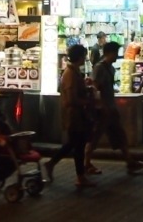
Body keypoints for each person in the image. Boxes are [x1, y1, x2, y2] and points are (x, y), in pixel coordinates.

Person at [84, 41, 143, 174]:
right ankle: (86, 163)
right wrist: (101, 106)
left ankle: (129, 161)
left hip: (110, 108)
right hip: (103, 110)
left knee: (120, 135)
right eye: (115, 53)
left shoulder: (110, 68)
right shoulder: (99, 68)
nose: (117, 55)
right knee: (95, 137)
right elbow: (95, 88)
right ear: (108, 53)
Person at [45, 44, 96, 187]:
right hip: (74, 115)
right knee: (76, 145)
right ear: (79, 57)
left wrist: (85, 87)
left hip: (77, 115)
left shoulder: (74, 72)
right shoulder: (70, 74)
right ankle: (78, 176)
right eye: (84, 56)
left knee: (75, 144)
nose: (85, 59)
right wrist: (87, 101)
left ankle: (54, 164)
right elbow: (70, 99)